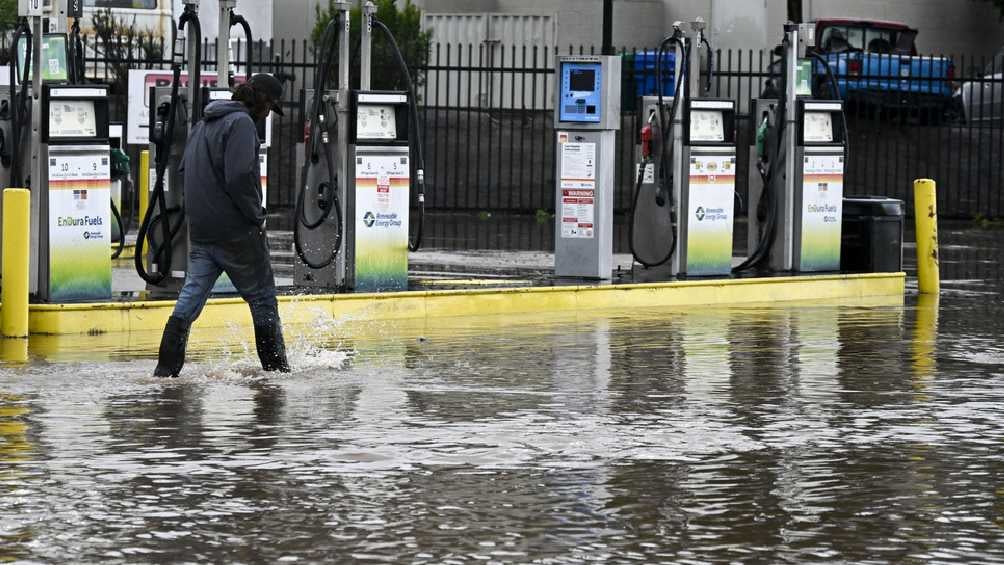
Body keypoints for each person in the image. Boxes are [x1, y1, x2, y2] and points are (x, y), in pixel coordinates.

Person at [154, 74, 290, 377]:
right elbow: (240, 176)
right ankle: (277, 374)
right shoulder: (241, 124)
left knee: (190, 299)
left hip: (202, 231)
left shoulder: (203, 125)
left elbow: (185, 170)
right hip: (236, 232)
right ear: (262, 102)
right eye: (269, 108)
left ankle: (165, 373)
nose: (267, 115)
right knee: (263, 297)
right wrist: (257, 215)